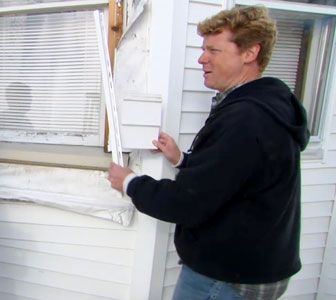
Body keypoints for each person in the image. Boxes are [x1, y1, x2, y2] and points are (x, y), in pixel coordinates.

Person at [108, 6, 309, 300]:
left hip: (227, 276)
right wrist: (183, 160)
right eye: (203, 49)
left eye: (213, 50)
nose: (202, 58)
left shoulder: (246, 117)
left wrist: (129, 182)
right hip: (259, 265)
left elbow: (186, 204)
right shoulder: (270, 104)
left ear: (250, 53)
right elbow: (238, 177)